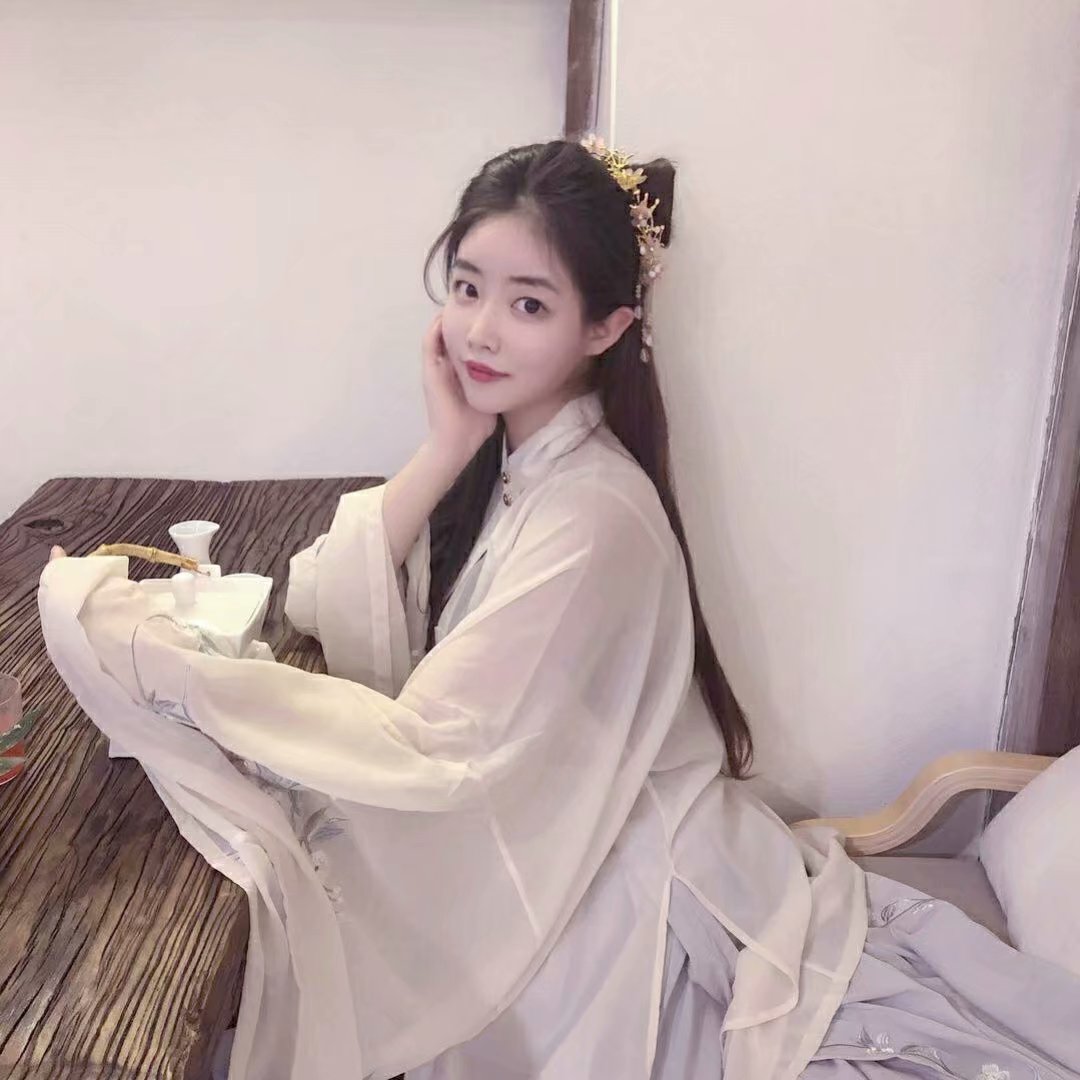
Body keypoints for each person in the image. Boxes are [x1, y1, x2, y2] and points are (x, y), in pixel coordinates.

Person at [40, 138, 1080, 1080]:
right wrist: (446, 443)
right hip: (564, 825)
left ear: (607, 327)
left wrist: (172, 672)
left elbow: (434, 747)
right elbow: (318, 591)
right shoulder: (518, 461)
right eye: (467, 287)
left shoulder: (592, 512)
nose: (481, 331)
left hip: (617, 876)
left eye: (529, 305)